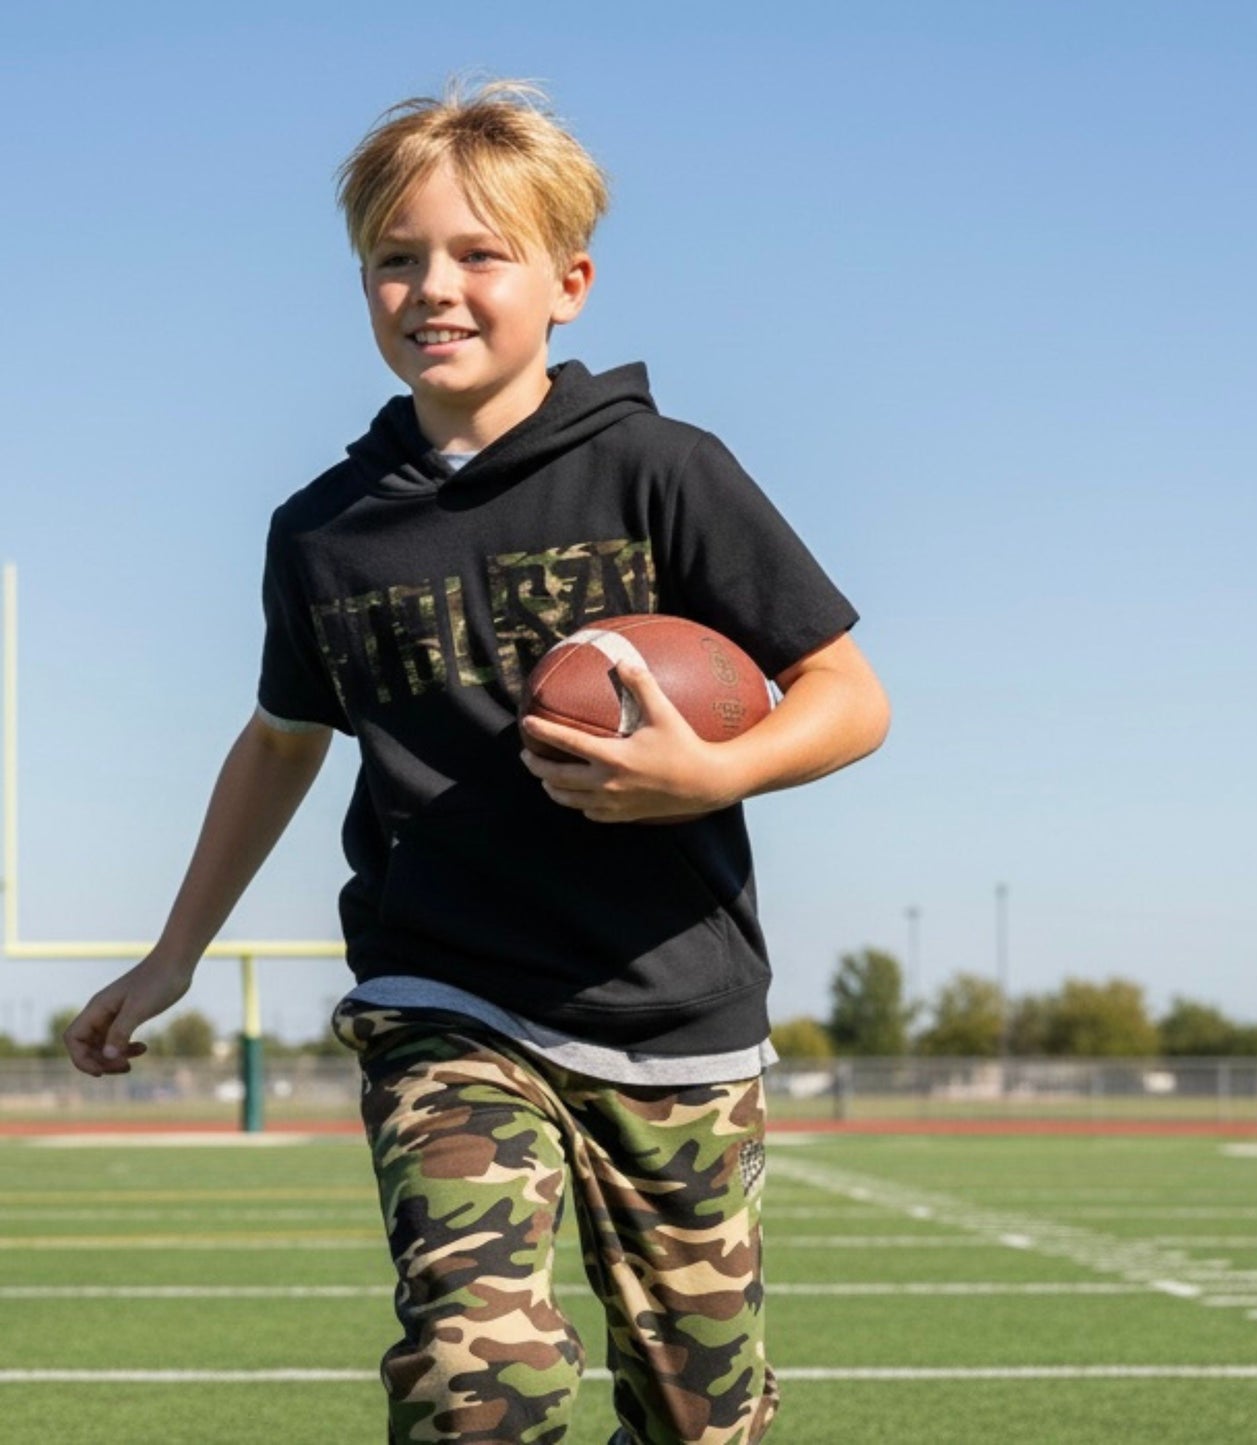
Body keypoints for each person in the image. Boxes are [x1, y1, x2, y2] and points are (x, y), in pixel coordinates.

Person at [64, 80, 889, 1445]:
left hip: (674, 1007)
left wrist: (710, 775)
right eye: (397, 258)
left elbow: (847, 696)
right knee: (475, 1378)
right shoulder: (324, 530)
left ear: (568, 284)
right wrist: (171, 956)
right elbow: (280, 740)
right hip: (444, 995)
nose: (432, 288)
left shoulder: (661, 471)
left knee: (703, 1420)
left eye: (478, 253)